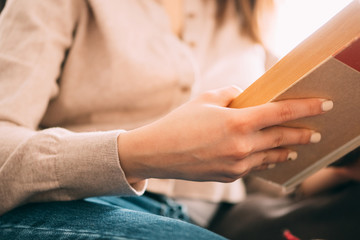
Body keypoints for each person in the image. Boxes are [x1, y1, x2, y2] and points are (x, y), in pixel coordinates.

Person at [0, 0, 346, 239]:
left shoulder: (247, 19)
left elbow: (259, 178)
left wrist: (336, 168)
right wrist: (139, 153)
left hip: (225, 216)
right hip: (90, 205)